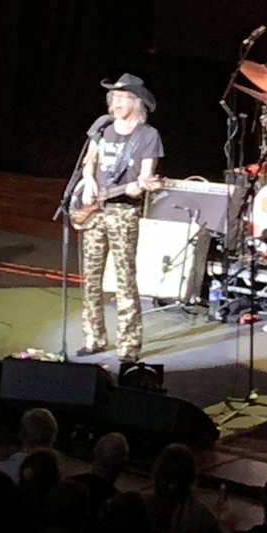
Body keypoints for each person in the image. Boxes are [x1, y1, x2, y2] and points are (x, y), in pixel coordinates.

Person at [75, 73, 163, 364]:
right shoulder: (102, 128)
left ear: (136, 102)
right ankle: (93, 337)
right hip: (93, 211)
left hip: (123, 212)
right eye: (114, 97)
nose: (117, 103)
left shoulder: (147, 136)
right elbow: (89, 162)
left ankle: (128, 345)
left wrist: (140, 186)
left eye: (124, 97)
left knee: (125, 279)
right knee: (90, 277)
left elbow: (146, 178)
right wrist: (88, 181)